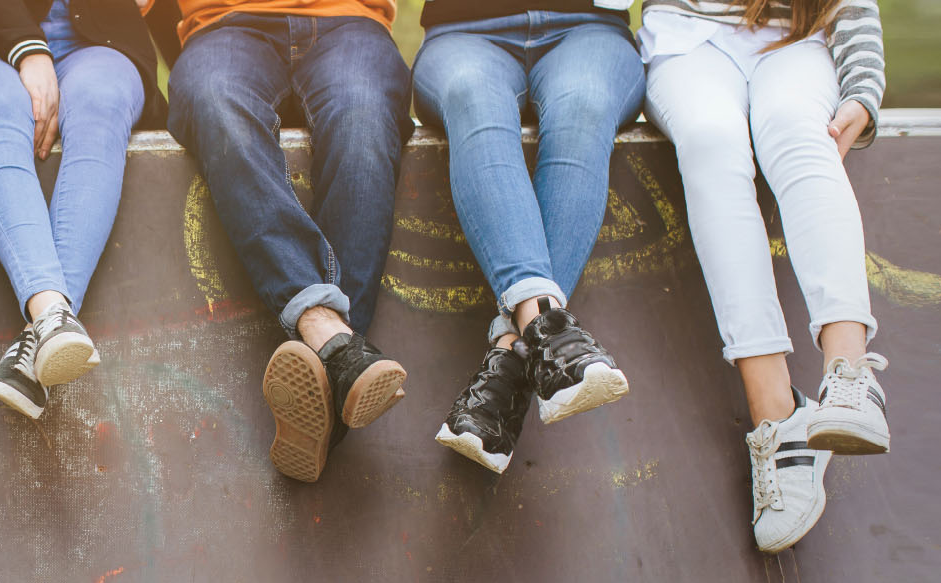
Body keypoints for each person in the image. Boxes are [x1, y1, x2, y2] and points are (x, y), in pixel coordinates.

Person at [640, 0, 888, 552]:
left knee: (802, 134)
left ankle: (850, 375)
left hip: (800, 38)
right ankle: (776, 415)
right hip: (687, 40)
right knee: (709, 140)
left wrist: (863, 91)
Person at [163, 0, 413, 482]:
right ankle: (334, 342)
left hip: (351, 21)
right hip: (224, 25)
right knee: (217, 102)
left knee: (363, 122)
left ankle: (325, 378)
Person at [414, 1, 643, 474]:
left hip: (589, 28)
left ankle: (510, 361)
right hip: (464, 27)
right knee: (472, 96)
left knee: (585, 106)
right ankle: (548, 337)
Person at [0, 0, 168, 418]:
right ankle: (50, 316)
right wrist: (28, 47)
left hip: (103, 38)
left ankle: (39, 338)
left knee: (102, 104)